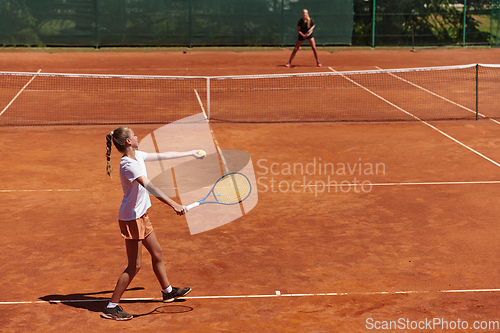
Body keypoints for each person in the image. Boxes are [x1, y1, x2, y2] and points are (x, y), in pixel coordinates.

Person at [101, 126, 204, 321]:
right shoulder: (128, 165)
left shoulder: (137, 156)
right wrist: (174, 204)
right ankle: (111, 306)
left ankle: (168, 291)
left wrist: (190, 153)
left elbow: (164, 156)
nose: (138, 136)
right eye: (134, 134)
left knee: (157, 253)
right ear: (128, 142)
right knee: (134, 266)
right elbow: (150, 187)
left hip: (141, 215)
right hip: (131, 219)